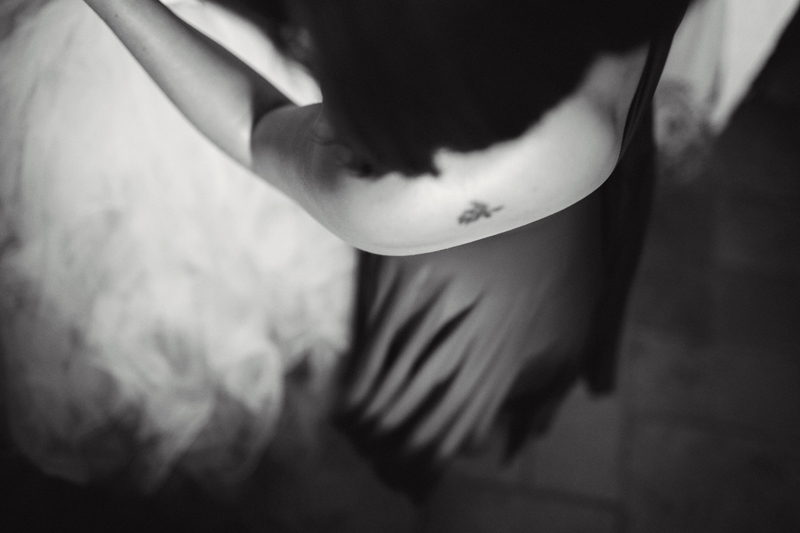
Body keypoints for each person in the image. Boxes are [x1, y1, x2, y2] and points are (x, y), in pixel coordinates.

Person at [82, 0, 692, 501]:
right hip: (570, 211)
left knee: (444, 387)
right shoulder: (584, 40)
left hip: (469, 270)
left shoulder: (389, 204)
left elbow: (256, 124)